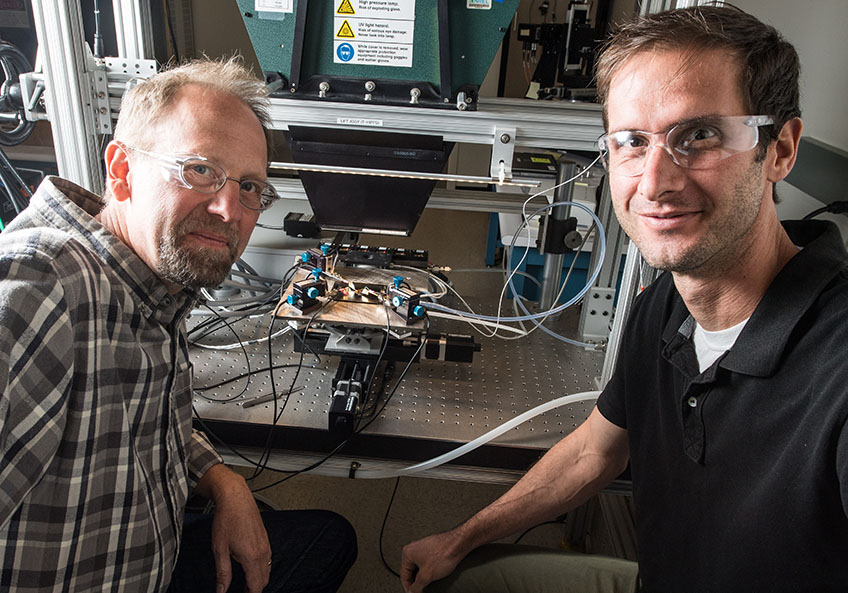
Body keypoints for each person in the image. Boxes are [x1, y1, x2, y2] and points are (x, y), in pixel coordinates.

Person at [402, 5, 848, 593]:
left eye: (700, 135)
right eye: (632, 142)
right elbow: (596, 451)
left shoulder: (835, 362)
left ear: (781, 150)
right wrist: (461, 538)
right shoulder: (663, 307)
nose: (655, 181)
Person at [0, 58, 356, 592]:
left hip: (148, 555)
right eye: (200, 170)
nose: (228, 209)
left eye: (251, 187)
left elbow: (150, 416)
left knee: (327, 538)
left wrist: (220, 478)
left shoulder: (149, 285)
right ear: (121, 170)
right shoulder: (40, 283)